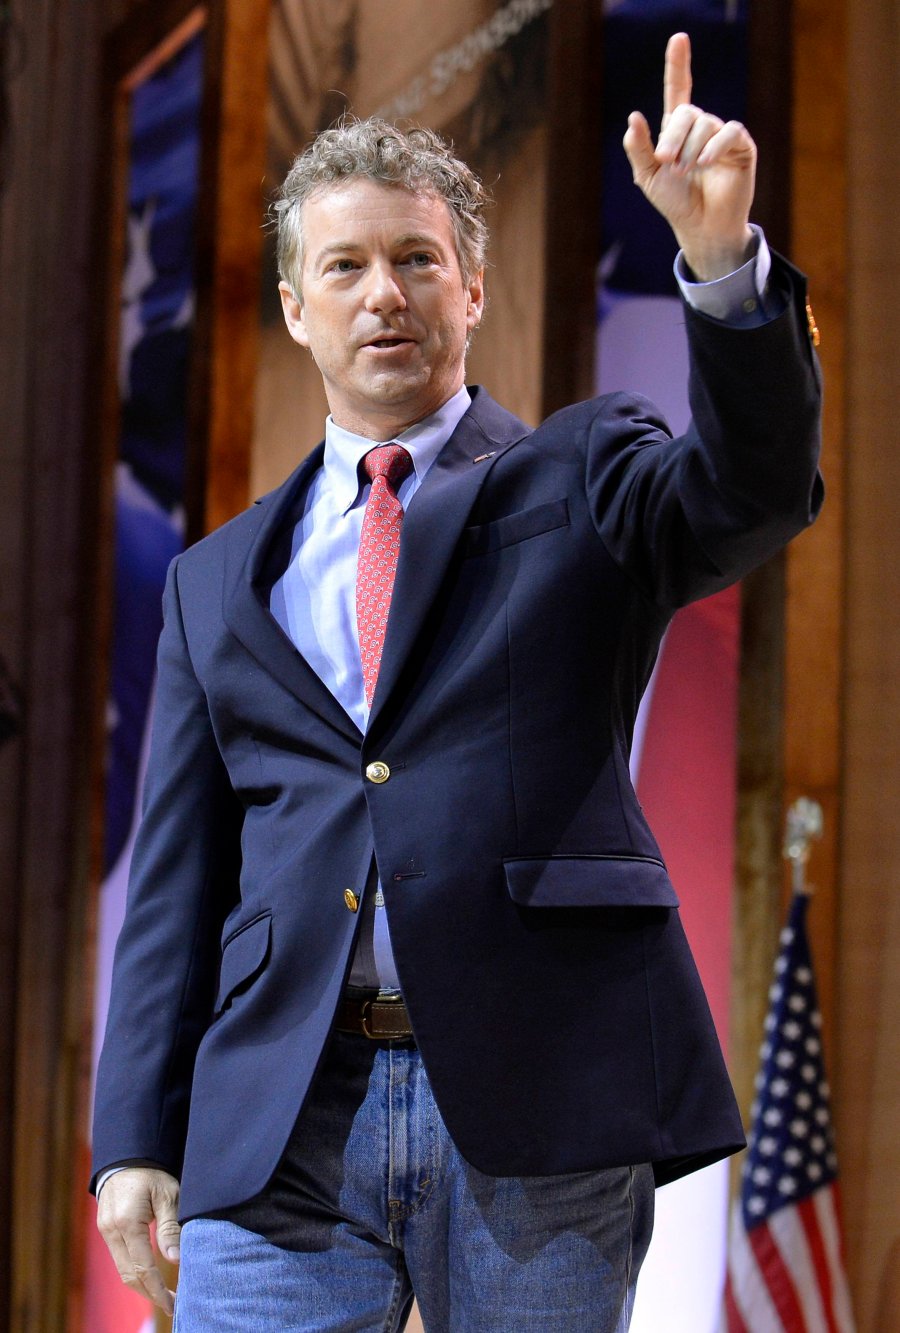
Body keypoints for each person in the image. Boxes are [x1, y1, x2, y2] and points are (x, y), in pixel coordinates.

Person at [92, 33, 822, 1332]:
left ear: (473, 288)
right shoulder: (213, 582)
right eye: (347, 266)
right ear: (294, 304)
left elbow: (749, 494)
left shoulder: (586, 474)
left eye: (418, 259)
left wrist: (719, 263)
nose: (385, 292)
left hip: (537, 1100)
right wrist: (131, 1135)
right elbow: (176, 880)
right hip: (278, 1126)